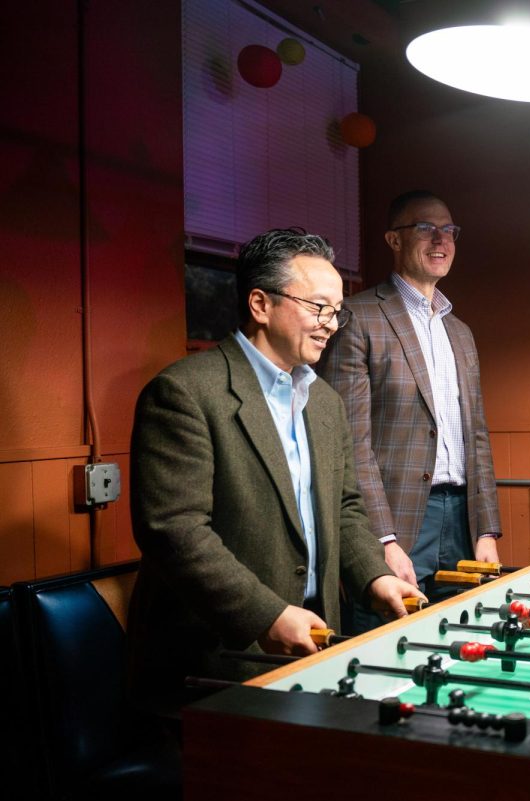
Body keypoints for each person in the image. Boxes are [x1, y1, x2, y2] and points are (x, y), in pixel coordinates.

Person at [127, 228, 424, 714]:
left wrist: (374, 576)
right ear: (260, 304)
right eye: (318, 307)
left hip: (311, 645)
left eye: (337, 311)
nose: (332, 324)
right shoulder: (183, 393)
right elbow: (175, 531)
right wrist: (265, 615)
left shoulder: (325, 402)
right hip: (216, 661)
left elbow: (345, 508)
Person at [319, 190, 501, 615]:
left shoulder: (461, 332)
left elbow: (476, 436)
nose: (441, 240)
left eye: (449, 230)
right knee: (386, 650)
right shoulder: (358, 318)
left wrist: (487, 529)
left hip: (462, 520)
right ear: (393, 240)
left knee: (459, 640)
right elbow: (350, 444)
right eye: (425, 228)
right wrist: (380, 539)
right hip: (396, 523)